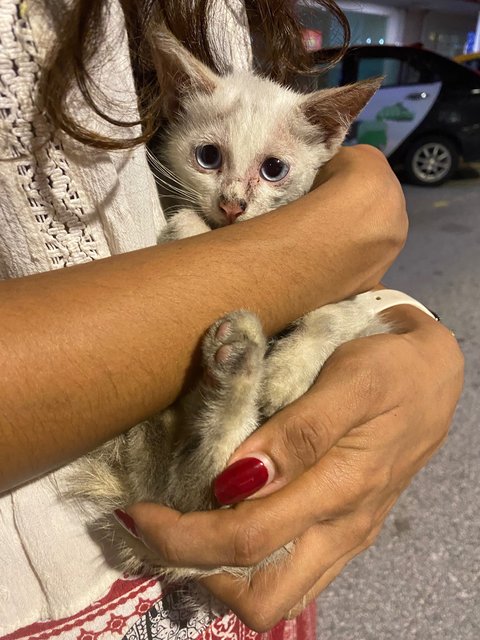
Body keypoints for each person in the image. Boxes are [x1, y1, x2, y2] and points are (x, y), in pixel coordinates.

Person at [0, 0, 463, 638]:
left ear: (329, 138)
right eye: (210, 158)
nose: (236, 199)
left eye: (273, 172)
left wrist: (405, 319)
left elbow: (345, 290)